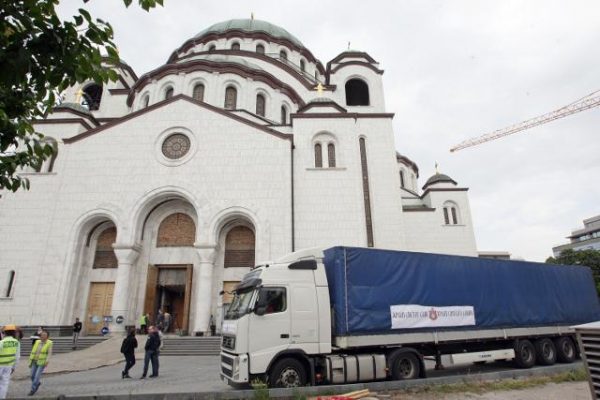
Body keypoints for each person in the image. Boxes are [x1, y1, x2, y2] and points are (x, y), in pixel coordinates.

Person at [28, 329, 52, 396]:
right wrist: (30, 361)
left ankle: (33, 389)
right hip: (34, 361)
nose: (43, 336)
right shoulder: (37, 342)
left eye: (45, 335)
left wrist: (47, 361)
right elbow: (33, 351)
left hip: (42, 362)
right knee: (32, 376)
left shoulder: (49, 343)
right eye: (42, 335)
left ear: (47, 337)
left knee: (36, 377)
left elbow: (49, 353)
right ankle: (37, 383)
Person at [0, 325, 20, 399]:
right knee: (4, 383)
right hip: (9, 366)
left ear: (4, 332)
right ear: (14, 333)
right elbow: (17, 356)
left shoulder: (2, 342)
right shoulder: (16, 343)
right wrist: (14, 367)